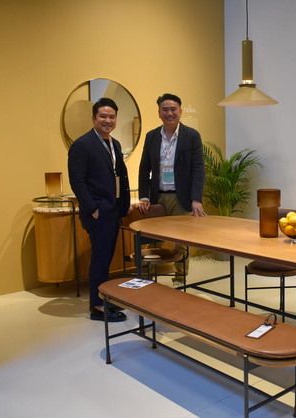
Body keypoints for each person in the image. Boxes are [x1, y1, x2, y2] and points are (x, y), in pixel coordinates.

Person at [68, 97, 131, 322]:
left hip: (112, 209)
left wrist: (123, 204)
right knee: (100, 258)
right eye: (103, 116)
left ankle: (103, 299)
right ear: (94, 118)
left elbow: (118, 175)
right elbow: (77, 181)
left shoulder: (114, 144)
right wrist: (92, 208)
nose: (107, 120)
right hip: (98, 212)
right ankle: (97, 306)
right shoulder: (83, 144)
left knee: (106, 258)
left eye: (111, 116)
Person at [137, 93, 206, 283]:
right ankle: (149, 278)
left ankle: (180, 278)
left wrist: (196, 198)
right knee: (154, 239)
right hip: (157, 197)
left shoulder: (191, 136)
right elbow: (144, 168)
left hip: (181, 197)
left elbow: (198, 169)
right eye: (165, 109)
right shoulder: (151, 136)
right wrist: (144, 196)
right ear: (159, 112)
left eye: (173, 109)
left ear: (180, 111)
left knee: (182, 241)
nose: (169, 113)